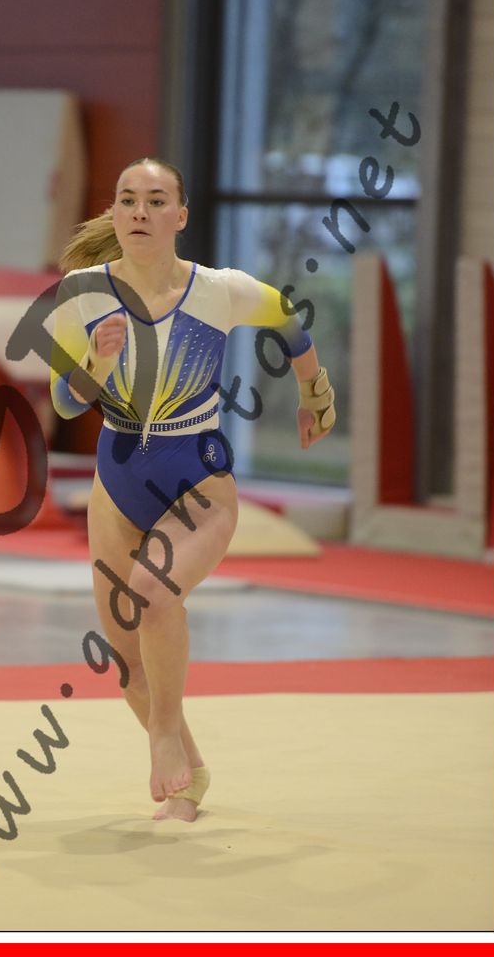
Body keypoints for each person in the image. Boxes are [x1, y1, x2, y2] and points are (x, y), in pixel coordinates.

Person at [49, 157, 335, 821]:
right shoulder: (80, 294)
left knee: (153, 594)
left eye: (156, 200)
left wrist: (315, 393)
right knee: (126, 661)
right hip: (117, 481)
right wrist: (97, 364)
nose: (140, 211)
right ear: (113, 213)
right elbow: (63, 402)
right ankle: (191, 778)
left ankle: (163, 736)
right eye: (127, 199)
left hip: (198, 479)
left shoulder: (219, 290)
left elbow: (288, 319)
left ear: (181, 216)